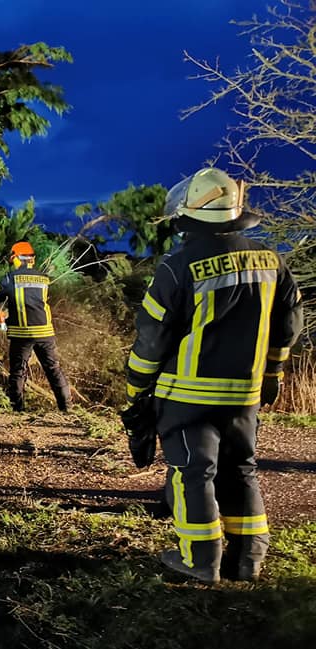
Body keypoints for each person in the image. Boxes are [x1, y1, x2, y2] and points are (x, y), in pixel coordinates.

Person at [125, 167, 303, 584]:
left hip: (188, 398)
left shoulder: (178, 266)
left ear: (189, 215)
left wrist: (137, 390)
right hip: (245, 393)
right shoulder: (270, 259)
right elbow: (290, 322)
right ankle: (248, 560)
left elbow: (152, 339)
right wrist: (273, 369)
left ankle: (200, 560)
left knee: (192, 474)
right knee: (241, 467)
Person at [0, 240, 72, 412]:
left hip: (22, 333)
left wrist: (0, 317)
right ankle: (67, 409)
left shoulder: (10, 278)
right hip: (45, 331)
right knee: (53, 370)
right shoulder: (44, 278)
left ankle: (17, 410)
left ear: (17, 258)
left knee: (18, 371)